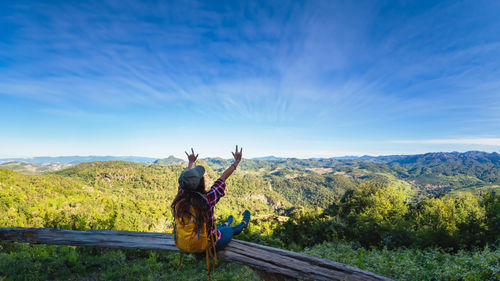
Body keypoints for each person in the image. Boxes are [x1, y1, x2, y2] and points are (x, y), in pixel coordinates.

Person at [171, 145, 250, 252]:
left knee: (220, 228)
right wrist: (236, 162)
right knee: (229, 230)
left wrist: (190, 163)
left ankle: (226, 223)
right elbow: (223, 178)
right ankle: (243, 224)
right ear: (200, 183)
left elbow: (186, 180)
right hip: (206, 244)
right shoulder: (207, 199)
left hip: (182, 241)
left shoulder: (181, 196)